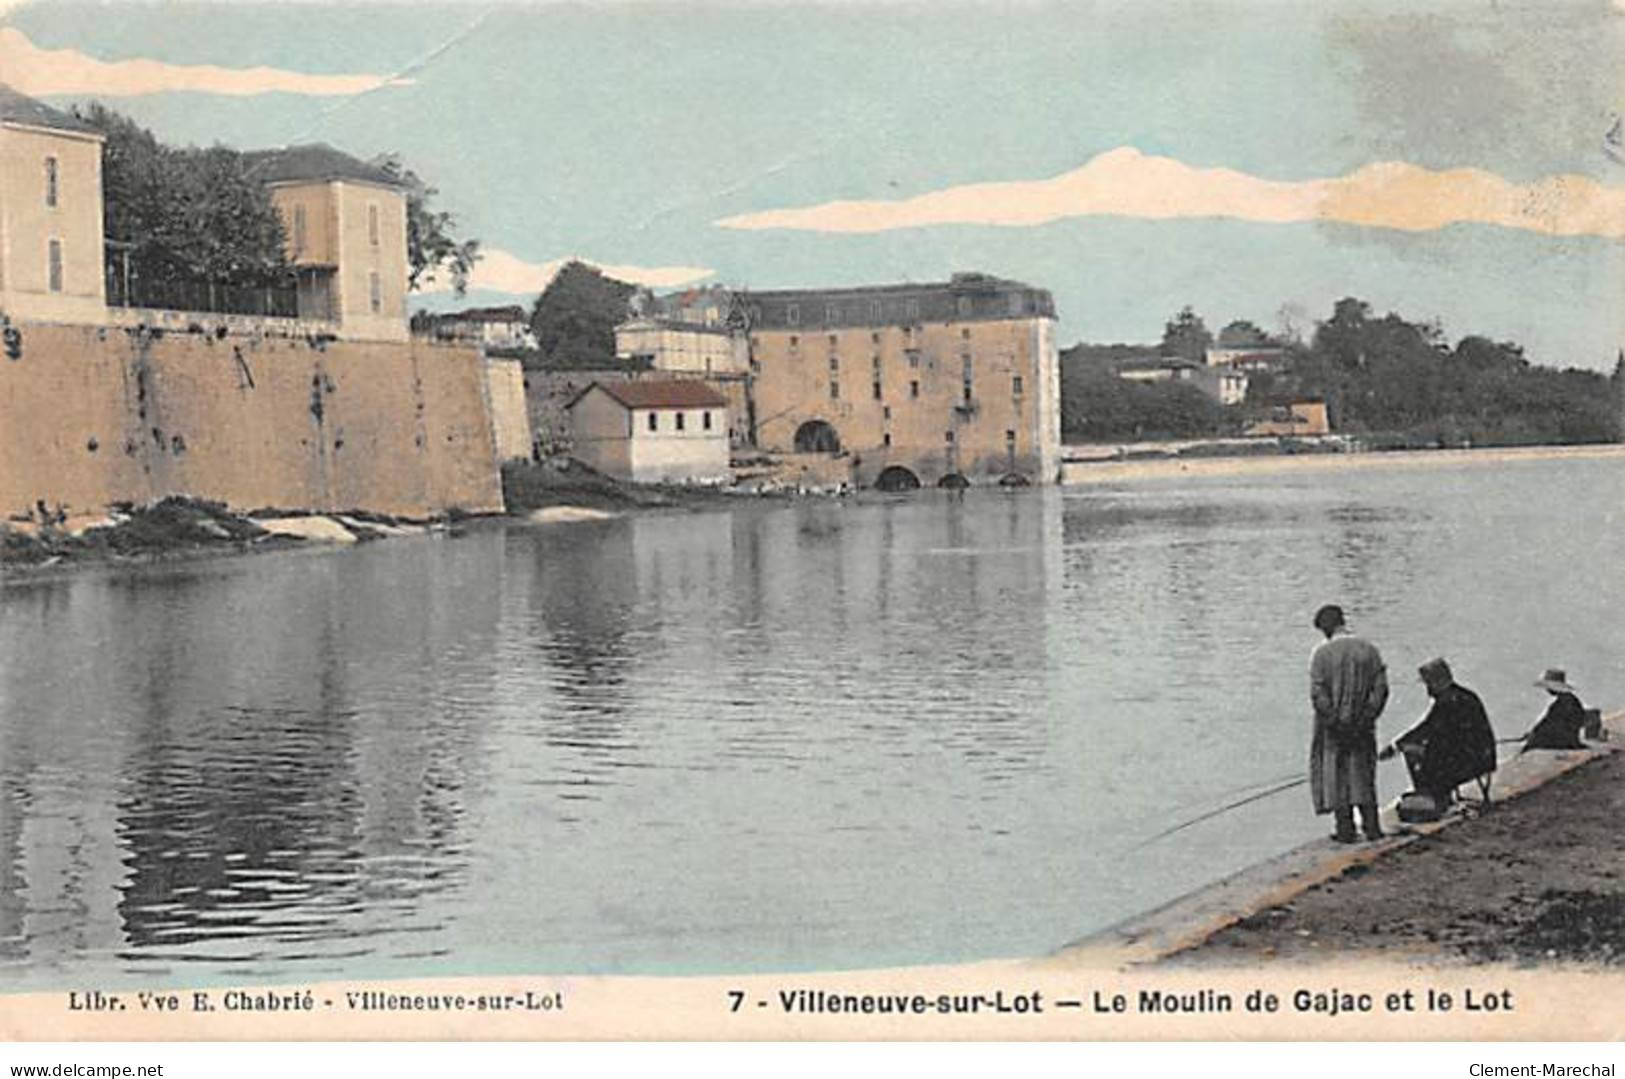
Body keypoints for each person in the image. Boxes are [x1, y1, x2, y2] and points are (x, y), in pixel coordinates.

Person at [1309, 603, 1389, 843]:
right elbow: (1380, 689)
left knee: (1337, 776)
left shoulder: (1321, 655)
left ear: (1326, 627)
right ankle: (1372, 827)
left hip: (1333, 730)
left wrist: (1334, 721)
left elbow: (1317, 694)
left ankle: (1345, 830)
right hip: (1363, 726)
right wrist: (1367, 717)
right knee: (1363, 774)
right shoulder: (1369, 650)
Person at [1379, 658, 1497, 808]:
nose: (1428, 690)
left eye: (1428, 684)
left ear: (1437, 682)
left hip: (1469, 762)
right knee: (1428, 750)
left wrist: (1397, 746)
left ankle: (1432, 796)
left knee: (1413, 752)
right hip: (1483, 756)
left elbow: (1427, 729)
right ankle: (1435, 794)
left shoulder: (1447, 703)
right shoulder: (1465, 695)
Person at [1521, 668, 1588, 751]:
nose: (1547, 690)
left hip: (1562, 741)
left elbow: (1550, 725)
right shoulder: (1570, 700)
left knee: (1529, 747)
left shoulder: (1562, 704)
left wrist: (1533, 735)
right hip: (1568, 739)